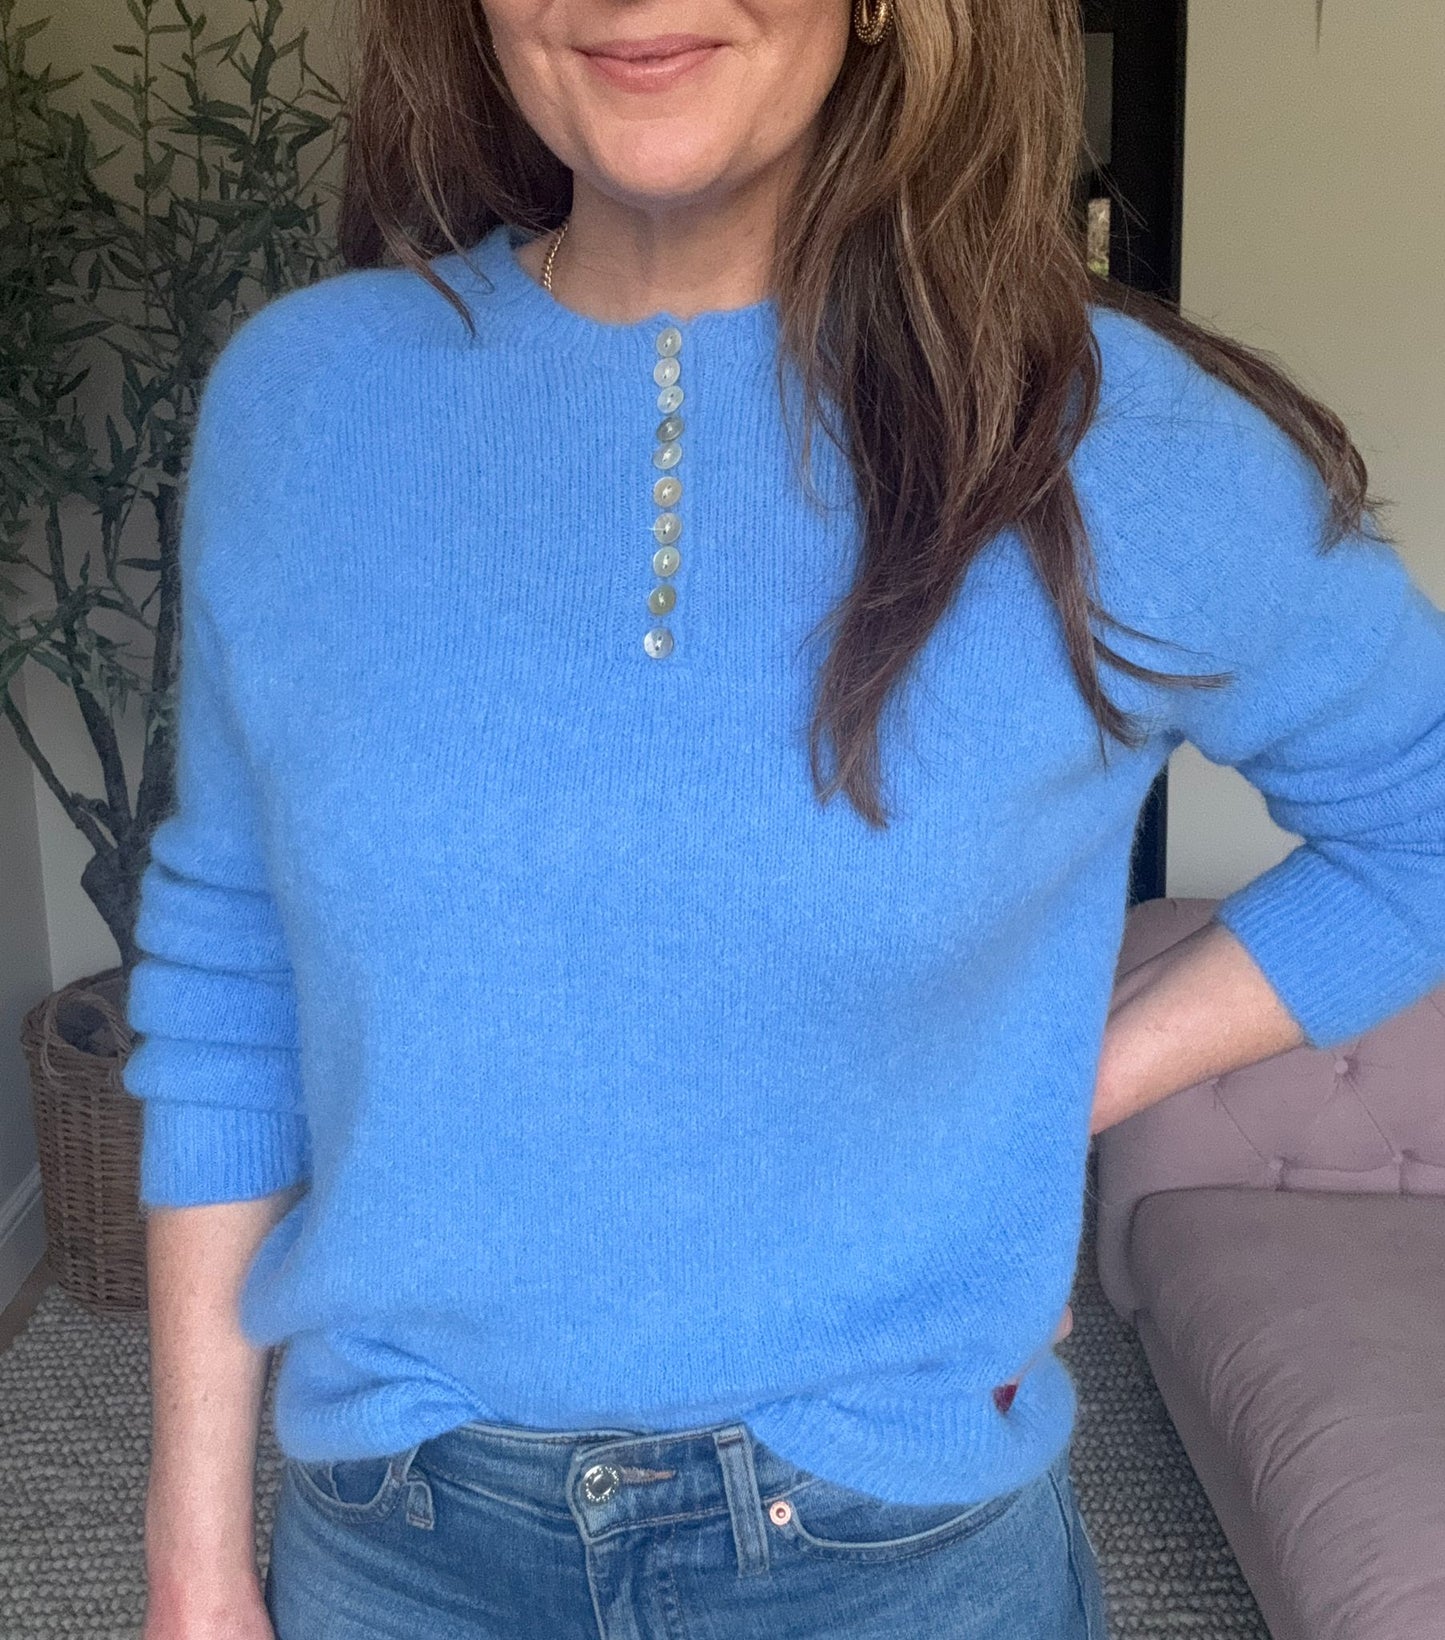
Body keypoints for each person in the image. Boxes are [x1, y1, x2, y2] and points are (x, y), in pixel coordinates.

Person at [127, 0, 1445, 1634]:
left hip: (892, 1553)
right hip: (400, 1539)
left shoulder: (1113, 439)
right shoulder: (307, 402)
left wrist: (1052, 1094)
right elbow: (232, 957)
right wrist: (190, 1549)